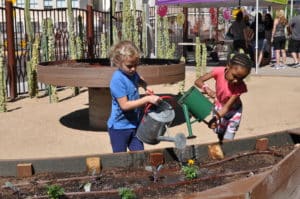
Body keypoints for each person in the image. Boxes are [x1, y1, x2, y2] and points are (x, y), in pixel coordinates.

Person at [107, 40, 161, 153]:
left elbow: (140, 80)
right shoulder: (117, 80)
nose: (133, 69)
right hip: (119, 128)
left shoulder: (132, 73)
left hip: (135, 124)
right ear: (118, 62)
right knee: (120, 159)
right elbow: (125, 105)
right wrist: (147, 99)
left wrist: (146, 87)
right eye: (129, 66)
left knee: (139, 155)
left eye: (136, 65)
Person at [194, 53, 253, 142]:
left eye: (241, 78)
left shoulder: (240, 87)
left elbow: (227, 107)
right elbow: (198, 81)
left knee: (229, 135)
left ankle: (226, 146)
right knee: (219, 131)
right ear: (228, 66)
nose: (236, 81)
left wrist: (214, 118)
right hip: (219, 107)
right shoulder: (218, 71)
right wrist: (208, 90)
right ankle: (221, 146)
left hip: (234, 111)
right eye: (234, 76)